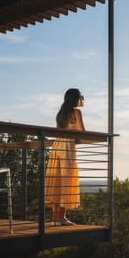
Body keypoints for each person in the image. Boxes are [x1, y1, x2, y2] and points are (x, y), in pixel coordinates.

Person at [45, 88, 85, 226]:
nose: (83, 99)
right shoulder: (76, 112)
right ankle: (61, 218)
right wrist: (78, 139)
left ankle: (56, 218)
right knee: (66, 180)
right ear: (76, 98)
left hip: (57, 146)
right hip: (67, 147)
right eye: (81, 97)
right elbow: (82, 132)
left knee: (57, 180)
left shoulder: (61, 113)